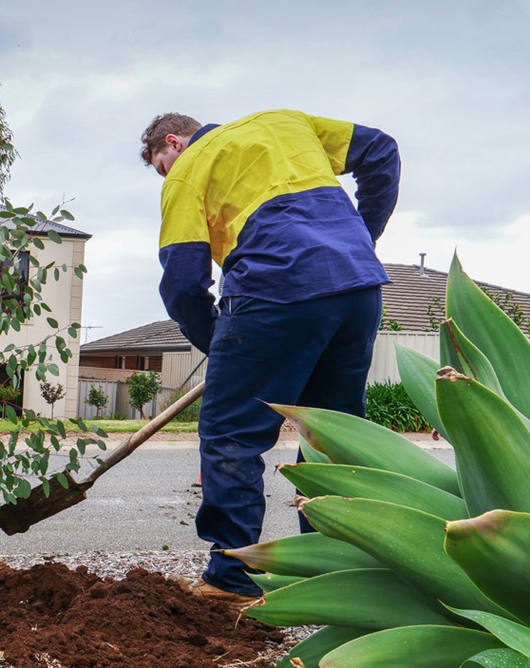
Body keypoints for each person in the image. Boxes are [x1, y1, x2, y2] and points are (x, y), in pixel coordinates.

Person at [141, 109, 400, 604]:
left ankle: (233, 579)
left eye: (160, 166)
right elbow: (382, 149)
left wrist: (217, 339)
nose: (165, 177)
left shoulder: (188, 170)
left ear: (173, 143)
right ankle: (334, 577)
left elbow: (181, 281)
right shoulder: (287, 122)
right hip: (356, 287)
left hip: (273, 289)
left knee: (231, 434)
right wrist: (361, 239)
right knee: (331, 436)